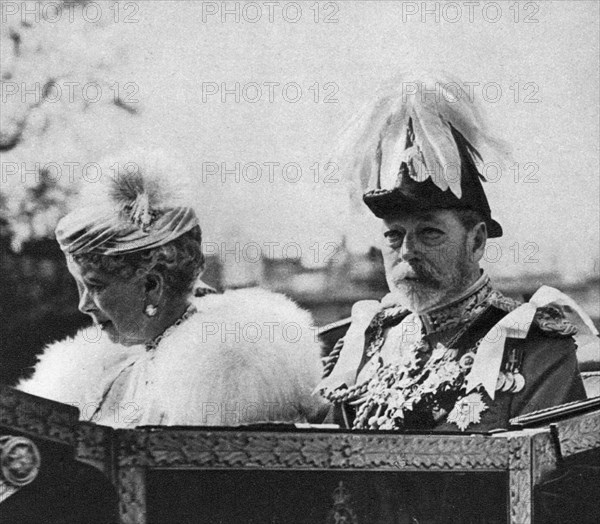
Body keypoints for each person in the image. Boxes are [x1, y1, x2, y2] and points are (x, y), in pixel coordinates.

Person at [317, 73, 599, 432]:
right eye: (393, 236)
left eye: (430, 233)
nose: (407, 251)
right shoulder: (367, 343)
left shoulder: (536, 353)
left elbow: (553, 484)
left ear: (477, 241)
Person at [17, 151, 325, 428]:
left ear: (152, 286)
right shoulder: (102, 372)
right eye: (81, 286)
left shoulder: (230, 374)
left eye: (95, 286)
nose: (84, 304)